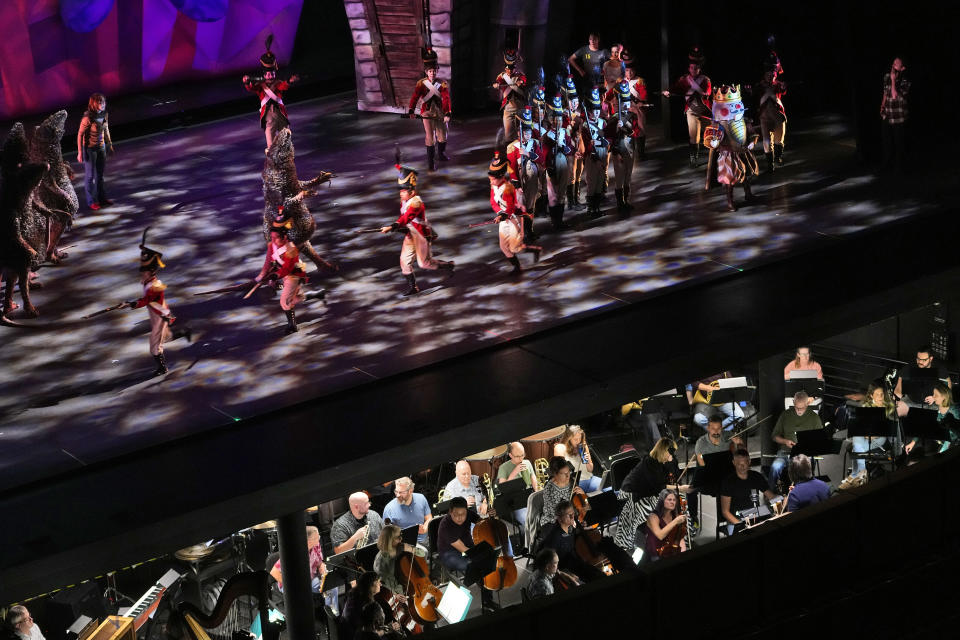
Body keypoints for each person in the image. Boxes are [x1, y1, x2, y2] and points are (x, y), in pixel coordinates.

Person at [379, 163, 453, 296]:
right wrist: (398, 228)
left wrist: (392, 226)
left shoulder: (416, 202)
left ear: (412, 191)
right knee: (404, 262)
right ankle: (414, 287)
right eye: (400, 191)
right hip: (410, 233)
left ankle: (447, 265)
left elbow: (407, 218)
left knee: (424, 264)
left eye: (403, 191)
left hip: (421, 235)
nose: (401, 193)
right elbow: (404, 219)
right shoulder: (405, 201)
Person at [129, 231, 191, 376]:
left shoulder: (155, 285)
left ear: (151, 272)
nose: (141, 273)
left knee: (154, 346)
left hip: (160, 314)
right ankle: (183, 332)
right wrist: (144, 251)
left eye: (144, 271)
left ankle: (162, 368)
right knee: (165, 338)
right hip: (156, 312)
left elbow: (146, 300)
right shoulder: (147, 280)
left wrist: (131, 304)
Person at [256, 210, 323, 334]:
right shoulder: (272, 245)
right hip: (283, 274)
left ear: (284, 236)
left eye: (276, 237)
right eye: (272, 237)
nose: (273, 239)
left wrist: (275, 276)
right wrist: (262, 275)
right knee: (295, 299)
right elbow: (268, 260)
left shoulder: (291, 249)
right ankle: (317, 294)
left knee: (284, 301)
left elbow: (287, 268)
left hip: (293, 275)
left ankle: (292, 326)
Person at [614, 438, 688, 550]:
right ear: (663, 451)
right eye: (670, 452)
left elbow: (672, 477)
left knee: (680, 499)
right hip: (632, 493)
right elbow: (658, 487)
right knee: (658, 508)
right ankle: (658, 537)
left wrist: (672, 461)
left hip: (649, 492)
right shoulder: (650, 462)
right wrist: (679, 488)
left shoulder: (663, 461)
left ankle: (678, 534)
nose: (672, 454)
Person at [436, 497, 499, 612]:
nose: (460, 517)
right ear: (450, 512)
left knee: (485, 561)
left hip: (468, 547)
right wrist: (481, 557)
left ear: (466, 510)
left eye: (463, 514)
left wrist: (491, 518)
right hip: (449, 553)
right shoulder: (445, 526)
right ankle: (484, 598)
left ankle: (487, 600)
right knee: (476, 565)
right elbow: (464, 550)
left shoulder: (468, 513)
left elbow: (482, 524)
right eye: (456, 514)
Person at [702, 84, 759, 211]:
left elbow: (752, 133)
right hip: (727, 154)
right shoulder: (718, 124)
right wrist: (713, 143)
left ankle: (748, 194)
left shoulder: (744, 120)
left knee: (745, 174)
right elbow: (710, 138)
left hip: (742, 151)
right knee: (729, 179)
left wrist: (752, 142)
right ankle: (730, 201)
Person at [487, 150, 541, 274]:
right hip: (503, 218)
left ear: (500, 177)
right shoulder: (494, 186)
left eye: (492, 179)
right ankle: (517, 268)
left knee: (515, 247)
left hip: (514, 219)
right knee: (503, 247)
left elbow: (511, 207)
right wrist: (500, 213)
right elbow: (493, 202)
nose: (491, 182)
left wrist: (502, 215)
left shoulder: (508, 188)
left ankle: (534, 250)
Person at [242, 35, 299, 151]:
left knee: (286, 139)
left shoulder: (277, 83)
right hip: (268, 117)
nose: (269, 76)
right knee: (271, 144)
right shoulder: (260, 86)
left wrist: (290, 81)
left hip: (280, 114)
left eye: (272, 74)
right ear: (264, 74)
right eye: (267, 74)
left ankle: (286, 158)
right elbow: (251, 88)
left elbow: (284, 86)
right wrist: (247, 82)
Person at [662, 47, 712, 168]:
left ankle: (715, 156)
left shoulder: (705, 80)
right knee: (694, 136)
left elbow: (708, 92)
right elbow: (674, 88)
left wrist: (703, 93)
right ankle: (693, 159)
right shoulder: (684, 80)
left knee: (713, 134)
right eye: (692, 68)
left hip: (706, 111)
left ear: (700, 68)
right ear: (689, 68)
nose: (694, 70)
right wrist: (668, 92)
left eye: (696, 68)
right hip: (692, 111)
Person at [842, 381, 895, 485]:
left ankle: (856, 475)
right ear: (871, 396)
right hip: (866, 436)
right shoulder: (866, 407)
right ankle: (860, 474)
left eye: (882, 394)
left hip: (880, 437)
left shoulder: (888, 407)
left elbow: (886, 430)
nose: (880, 397)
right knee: (858, 440)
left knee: (857, 445)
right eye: (877, 395)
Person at [407, 48, 451, 171]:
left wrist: (447, 113)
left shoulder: (442, 83)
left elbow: (446, 99)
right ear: (426, 72)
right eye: (430, 71)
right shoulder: (421, 83)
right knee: (430, 138)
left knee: (442, 136)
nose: (432, 73)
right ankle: (431, 163)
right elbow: (415, 97)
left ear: (437, 71)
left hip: (440, 113)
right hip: (427, 113)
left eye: (434, 71)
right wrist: (411, 110)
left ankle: (441, 154)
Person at [769, 391, 823, 489]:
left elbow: (820, 441)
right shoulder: (785, 415)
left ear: (808, 403)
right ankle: (770, 492)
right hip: (786, 452)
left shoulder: (814, 418)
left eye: (802, 408)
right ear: (793, 402)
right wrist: (785, 441)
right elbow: (774, 436)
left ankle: (806, 490)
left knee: (809, 464)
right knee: (775, 467)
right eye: (796, 407)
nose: (799, 411)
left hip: (805, 455)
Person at [720, 448, 778, 535]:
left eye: (745, 463)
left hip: (755, 516)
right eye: (739, 464)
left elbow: (771, 496)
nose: (742, 467)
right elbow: (725, 512)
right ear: (734, 463)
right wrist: (742, 525)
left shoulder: (756, 477)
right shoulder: (728, 482)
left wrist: (781, 501)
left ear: (749, 462)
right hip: (736, 520)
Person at [76, 92, 114, 210]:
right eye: (100, 102)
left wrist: (110, 145)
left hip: (101, 147)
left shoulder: (104, 114)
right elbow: (80, 135)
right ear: (93, 103)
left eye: (103, 102)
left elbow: (106, 129)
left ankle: (102, 199)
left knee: (100, 176)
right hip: (90, 149)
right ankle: (91, 201)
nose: (103, 104)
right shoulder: (87, 118)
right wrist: (80, 152)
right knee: (90, 176)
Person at [904, 381, 960, 456]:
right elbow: (925, 426)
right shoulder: (936, 407)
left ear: (944, 396)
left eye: (935, 395)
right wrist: (913, 442)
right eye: (933, 394)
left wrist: (942, 450)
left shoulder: (955, 411)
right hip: (938, 439)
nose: (933, 397)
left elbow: (954, 435)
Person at [340, 572, 400, 640]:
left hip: (347, 631)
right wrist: (389, 629)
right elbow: (370, 635)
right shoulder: (365, 606)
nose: (380, 584)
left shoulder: (355, 595)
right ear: (372, 584)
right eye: (378, 582)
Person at [579, 87, 608, 217]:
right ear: (589, 112)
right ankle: (591, 208)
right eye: (594, 111)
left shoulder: (602, 123)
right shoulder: (585, 126)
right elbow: (585, 144)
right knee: (592, 182)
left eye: (598, 110)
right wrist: (591, 147)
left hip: (602, 153)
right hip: (592, 156)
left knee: (600, 181)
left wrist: (604, 143)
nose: (596, 113)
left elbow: (608, 138)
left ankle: (597, 207)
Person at [757, 51, 787, 172]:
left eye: (773, 73)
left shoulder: (778, 85)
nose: (771, 76)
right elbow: (754, 93)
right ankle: (770, 164)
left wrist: (783, 87)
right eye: (769, 73)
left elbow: (783, 90)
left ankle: (778, 157)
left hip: (777, 116)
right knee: (766, 141)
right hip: (765, 117)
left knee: (779, 139)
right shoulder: (760, 85)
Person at [373, 524, 424, 595]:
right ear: (390, 540)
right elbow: (387, 586)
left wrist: (411, 549)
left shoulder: (401, 547)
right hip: (400, 593)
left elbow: (423, 553)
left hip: (414, 585)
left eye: (401, 535)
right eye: (398, 537)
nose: (401, 539)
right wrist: (402, 594)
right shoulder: (381, 561)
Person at [497, 442, 539, 526]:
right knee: (527, 519)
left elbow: (533, 479)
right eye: (518, 456)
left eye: (522, 455)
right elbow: (503, 489)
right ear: (510, 455)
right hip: (516, 502)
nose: (521, 458)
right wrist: (514, 472)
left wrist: (537, 493)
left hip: (530, 497)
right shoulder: (503, 467)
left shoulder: (527, 462)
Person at [880, 57, 910, 174]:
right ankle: (886, 164)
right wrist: (882, 106)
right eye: (894, 62)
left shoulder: (905, 81)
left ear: (902, 68)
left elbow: (894, 95)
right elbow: (885, 92)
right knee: (886, 141)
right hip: (887, 114)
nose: (894, 64)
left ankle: (899, 167)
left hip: (898, 116)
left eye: (897, 63)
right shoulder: (887, 76)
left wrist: (893, 81)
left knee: (898, 143)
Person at [492, 48, 528, 144]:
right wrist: (496, 85)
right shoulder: (502, 76)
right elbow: (498, 82)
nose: (509, 71)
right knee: (508, 136)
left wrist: (521, 82)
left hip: (519, 108)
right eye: (507, 68)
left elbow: (524, 80)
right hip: (508, 108)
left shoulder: (520, 75)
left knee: (521, 134)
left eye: (511, 68)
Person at [382, 477, 432, 544]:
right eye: (396, 491)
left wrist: (425, 528)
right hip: (404, 545)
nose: (398, 495)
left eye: (401, 492)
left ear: (410, 491)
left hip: (425, 541)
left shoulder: (421, 498)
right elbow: (387, 535)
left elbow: (429, 518)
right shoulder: (389, 509)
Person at [539, 457, 586, 527]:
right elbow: (554, 514)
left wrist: (583, 494)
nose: (568, 476)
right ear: (555, 474)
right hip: (554, 522)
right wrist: (571, 520)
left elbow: (582, 503)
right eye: (563, 474)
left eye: (568, 472)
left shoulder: (572, 481)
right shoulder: (549, 490)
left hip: (571, 517)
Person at [554, 425, 601, 493]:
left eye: (580, 438)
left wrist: (587, 462)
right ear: (569, 439)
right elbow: (560, 472)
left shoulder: (583, 446)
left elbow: (590, 470)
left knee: (609, 489)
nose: (578, 441)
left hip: (590, 479)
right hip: (576, 483)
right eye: (575, 439)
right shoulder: (561, 448)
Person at [643, 489, 688, 560]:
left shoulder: (674, 516)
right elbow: (660, 535)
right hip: (654, 555)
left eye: (674, 500)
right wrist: (675, 521)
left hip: (669, 552)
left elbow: (680, 536)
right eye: (669, 500)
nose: (672, 502)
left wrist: (683, 551)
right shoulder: (653, 516)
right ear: (662, 501)